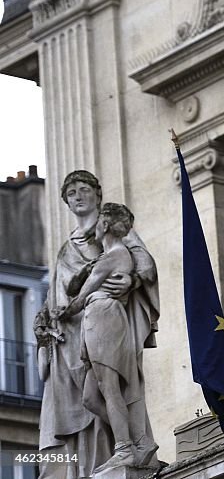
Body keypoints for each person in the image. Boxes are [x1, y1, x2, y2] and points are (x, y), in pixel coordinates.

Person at [36, 171, 160, 477]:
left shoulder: (111, 230)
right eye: (71, 192)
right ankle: (102, 458)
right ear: (65, 201)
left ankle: (126, 447)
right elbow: (56, 294)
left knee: (109, 389)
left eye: (84, 189)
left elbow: (145, 264)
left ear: (98, 194)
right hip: (71, 337)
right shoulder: (67, 247)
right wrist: (45, 321)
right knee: (84, 399)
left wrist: (130, 283)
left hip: (103, 321)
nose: (78, 196)